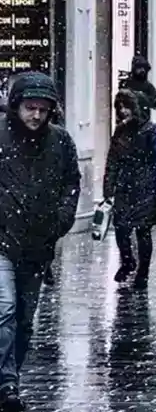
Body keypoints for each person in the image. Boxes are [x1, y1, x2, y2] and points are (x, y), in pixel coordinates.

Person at [0, 72, 80, 410]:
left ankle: (8, 377)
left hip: (37, 245)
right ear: (16, 105)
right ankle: (6, 386)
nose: (36, 115)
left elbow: (70, 184)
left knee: (24, 321)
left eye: (42, 109)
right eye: (30, 108)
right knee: (4, 309)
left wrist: (59, 222)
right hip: (2, 239)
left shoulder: (60, 142)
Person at [103, 90, 156, 292]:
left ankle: (143, 273)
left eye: (127, 106)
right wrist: (109, 189)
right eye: (120, 107)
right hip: (125, 186)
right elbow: (112, 161)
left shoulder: (152, 131)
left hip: (146, 187)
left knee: (143, 230)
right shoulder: (120, 132)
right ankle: (127, 261)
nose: (123, 111)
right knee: (121, 228)